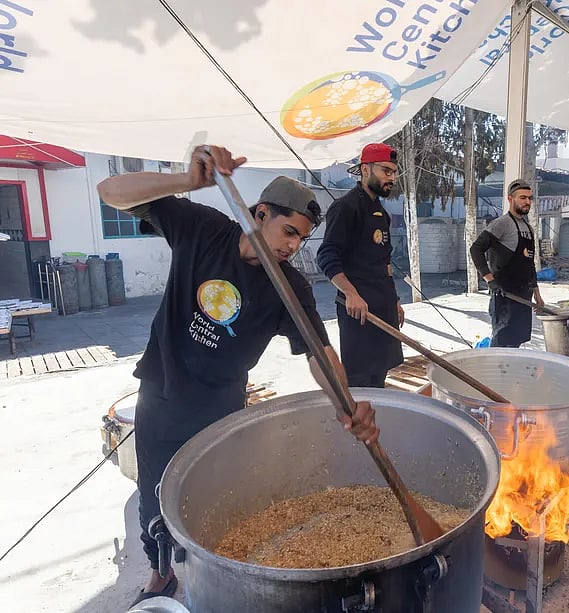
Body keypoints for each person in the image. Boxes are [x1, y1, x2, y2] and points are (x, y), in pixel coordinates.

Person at [96, 145, 379, 606]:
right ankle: (160, 573)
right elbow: (110, 191)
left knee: (214, 505)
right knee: (154, 501)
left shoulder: (290, 286)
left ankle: (216, 585)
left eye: (301, 240)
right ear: (260, 213)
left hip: (221, 413)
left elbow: (319, 353)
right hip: (162, 397)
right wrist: (187, 181)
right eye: (288, 231)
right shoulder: (204, 230)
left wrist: (347, 405)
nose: (292, 246)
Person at [317, 143, 404, 387]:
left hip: (383, 309)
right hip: (360, 313)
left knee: (380, 378)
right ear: (365, 170)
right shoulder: (346, 208)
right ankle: (361, 423)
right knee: (360, 383)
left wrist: (394, 300)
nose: (392, 178)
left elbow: (383, 263)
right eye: (386, 171)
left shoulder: (380, 212)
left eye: (394, 173)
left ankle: (377, 421)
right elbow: (326, 256)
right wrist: (351, 293)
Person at [470, 179, 544, 347]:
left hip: (524, 296)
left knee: (516, 343)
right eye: (522, 198)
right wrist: (490, 280)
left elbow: (529, 264)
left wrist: (537, 295)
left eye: (529, 198)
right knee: (502, 344)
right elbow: (476, 249)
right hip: (504, 296)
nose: (527, 202)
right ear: (510, 199)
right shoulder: (501, 224)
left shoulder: (528, 228)